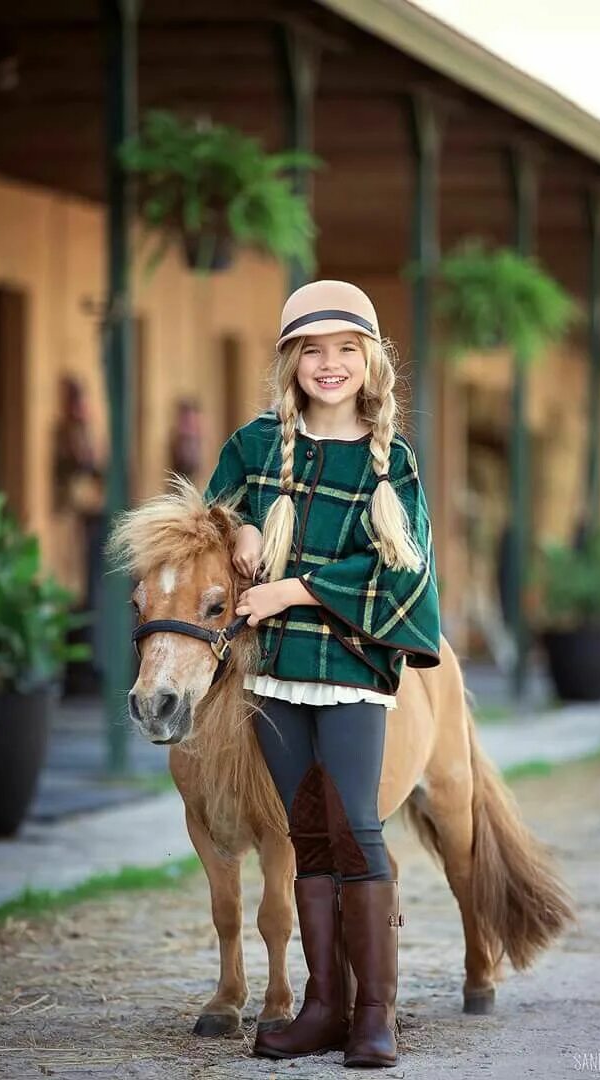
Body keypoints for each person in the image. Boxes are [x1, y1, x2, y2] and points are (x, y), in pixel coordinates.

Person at [202, 280, 441, 1068]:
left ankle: (376, 1012)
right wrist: (234, 528)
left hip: (349, 671)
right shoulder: (253, 446)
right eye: (312, 350)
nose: (328, 364)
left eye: (345, 349)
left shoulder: (392, 462)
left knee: (357, 832)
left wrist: (295, 588)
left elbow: (404, 578)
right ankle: (322, 1005)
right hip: (273, 673)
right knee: (309, 839)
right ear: (290, 362)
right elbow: (203, 524)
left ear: (369, 361)